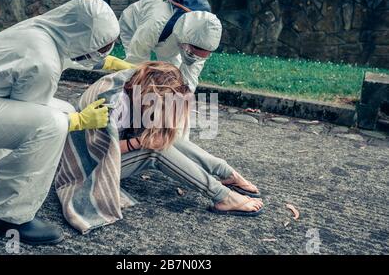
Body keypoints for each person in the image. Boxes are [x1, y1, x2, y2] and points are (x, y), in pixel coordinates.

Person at [0, 0, 120, 245]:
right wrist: (80, 120)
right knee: (52, 124)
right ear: (80, 36)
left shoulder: (43, 30)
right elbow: (34, 110)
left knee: (61, 109)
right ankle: (12, 218)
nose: (102, 53)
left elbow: (64, 59)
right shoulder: (42, 60)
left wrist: (114, 64)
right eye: (101, 47)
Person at [54, 62, 264, 233]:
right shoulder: (114, 103)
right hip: (86, 168)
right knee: (153, 150)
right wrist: (140, 142)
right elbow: (99, 149)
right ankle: (223, 197)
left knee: (163, 136)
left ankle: (225, 172)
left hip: (107, 154)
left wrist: (154, 132)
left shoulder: (135, 83)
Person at [119, 0, 223, 92]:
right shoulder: (155, 23)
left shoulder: (202, 36)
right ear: (187, 41)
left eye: (201, 56)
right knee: (138, 70)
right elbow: (136, 58)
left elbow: (191, 75)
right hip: (133, 24)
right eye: (191, 54)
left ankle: (164, 99)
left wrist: (185, 96)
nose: (194, 58)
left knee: (173, 75)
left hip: (172, 34)